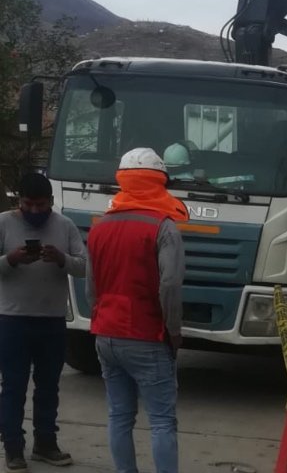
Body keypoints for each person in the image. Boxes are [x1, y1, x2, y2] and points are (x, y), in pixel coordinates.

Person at [87, 148, 187, 473]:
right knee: (161, 421)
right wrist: (173, 331)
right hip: (146, 335)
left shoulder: (100, 227)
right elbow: (170, 285)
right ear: (161, 180)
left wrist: (103, 321)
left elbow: (92, 287)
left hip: (106, 333)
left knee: (119, 415)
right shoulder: (164, 226)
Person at [0, 173, 86, 471]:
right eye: (28, 204)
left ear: (51, 201)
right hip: (12, 320)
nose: (35, 211)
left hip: (51, 321)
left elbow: (84, 266)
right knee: (13, 386)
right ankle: (13, 448)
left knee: (48, 386)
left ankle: (46, 444)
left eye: (41, 205)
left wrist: (61, 258)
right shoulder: (4, 223)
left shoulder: (65, 225)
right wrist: (10, 259)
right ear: (18, 201)